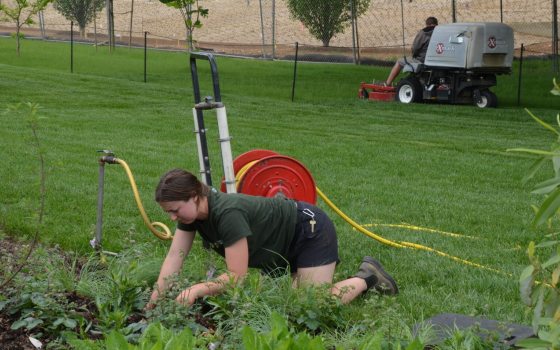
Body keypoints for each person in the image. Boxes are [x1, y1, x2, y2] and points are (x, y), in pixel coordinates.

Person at [147, 169, 398, 308]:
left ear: (194, 196)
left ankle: (368, 276)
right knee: (286, 305)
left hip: (309, 230)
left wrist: (196, 289)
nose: (172, 217)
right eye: (168, 212)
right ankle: (306, 276)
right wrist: (153, 304)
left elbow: (237, 277)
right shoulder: (189, 217)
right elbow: (173, 259)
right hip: (284, 243)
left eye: (175, 210)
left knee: (313, 306)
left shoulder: (227, 214)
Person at [385, 16, 438, 86]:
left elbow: (415, 48)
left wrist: (414, 55)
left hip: (422, 61)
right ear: (436, 24)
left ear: (427, 24)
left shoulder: (424, 33)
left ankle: (387, 83)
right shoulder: (439, 33)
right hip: (435, 61)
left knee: (399, 62)